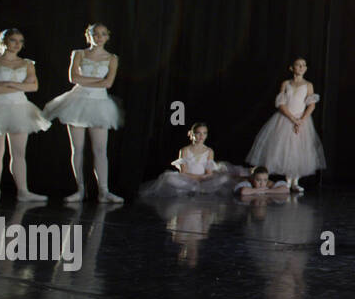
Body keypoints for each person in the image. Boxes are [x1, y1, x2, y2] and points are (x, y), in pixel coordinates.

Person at [42, 23, 125, 202]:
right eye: (95, 34)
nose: (99, 37)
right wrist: (96, 81)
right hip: (77, 101)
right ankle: (80, 189)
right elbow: (73, 78)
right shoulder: (78, 53)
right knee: (77, 148)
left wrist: (87, 81)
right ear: (89, 36)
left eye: (103, 34)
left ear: (107, 37)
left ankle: (104, 191)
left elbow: (108, 83)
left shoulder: (112, 58)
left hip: (100, 103)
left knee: (100, 149)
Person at [0, 29, 53, 202]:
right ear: (4, 42)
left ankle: (23, 191)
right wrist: (20, 85)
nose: (18, 44)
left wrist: (9, 83)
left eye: (20, 41)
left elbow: (34, 87)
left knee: (19, 153)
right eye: (13, 40)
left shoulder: (27, 63)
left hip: (20, 108)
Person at [245, 57, 325, 193]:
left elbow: (311, 105)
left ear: (306, 69)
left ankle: (295, 181)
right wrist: (293, 119)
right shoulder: (286, 83)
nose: (301, 67)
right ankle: (287, 182)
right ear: (291, 68)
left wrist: (301, 120)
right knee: (284, 150)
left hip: (301, 120)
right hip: (286, 119)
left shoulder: (308, 85)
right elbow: (281, 104)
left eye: (303, 65)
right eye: (298, 65)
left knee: (299, 149)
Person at [138, 122, 250, 197]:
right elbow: (183, 172)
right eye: (199, 133)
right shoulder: (185, 150)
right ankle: (191, 188)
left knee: (223, 178)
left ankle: (198, 189)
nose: (202, 136)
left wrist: (203, 178)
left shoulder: (209, 151)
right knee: (168, 178)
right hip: (188, 178)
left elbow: (209, 173)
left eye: (204, 133)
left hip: (203, 180)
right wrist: (196, 178)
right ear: (193, 134)